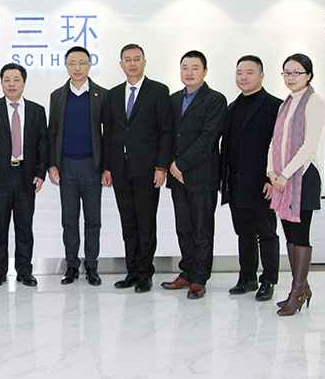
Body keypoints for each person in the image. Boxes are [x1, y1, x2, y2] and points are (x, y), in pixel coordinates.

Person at [102, 43, 172, 292]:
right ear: (121, 64)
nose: (132, 63)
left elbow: (166, 131)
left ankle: (145, 273)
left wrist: (161, 166)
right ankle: (132, 271)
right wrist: (107, 167)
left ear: (144, 62)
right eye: (127, 59)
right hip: (120, 170)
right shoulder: (112, 94)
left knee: (146, 223)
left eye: (136, 59)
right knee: (128, 223)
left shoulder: (159, 91)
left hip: (148, 170)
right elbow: (109, 133)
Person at [162, 50, 227, 299]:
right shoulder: (173, 99)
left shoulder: (215, 100)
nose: (189, 72)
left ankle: (200, 278)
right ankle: (186, 272)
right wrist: (171, 165)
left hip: (202, 176)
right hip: (177, 177)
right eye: (185, 67)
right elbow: (167, 135)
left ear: (205, 71)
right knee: (184, 228)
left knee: (202, 230)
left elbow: (209, 138)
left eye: (195, 68)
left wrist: (180, 165)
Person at [0, 63, 48, 288]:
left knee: (24, 228)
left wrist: (40, 173)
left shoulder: (37, 110)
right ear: (1, 83)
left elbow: (43, 144)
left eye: (16, 79)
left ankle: (25, 271)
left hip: (26, 176)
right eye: (7, 80)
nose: (11, 84)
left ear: (24, 83)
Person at [220, 55, 282, 301]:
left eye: (249, 72)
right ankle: (247, 278)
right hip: (236, 182)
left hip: (261, 182)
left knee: (266, 232)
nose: (243, 77)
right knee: (244, 232)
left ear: (261, 75)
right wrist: (223, 178)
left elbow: (279, 147)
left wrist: (272, 179)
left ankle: (268, 280)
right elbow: (226, 147)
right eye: (240, 72)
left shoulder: (275, 106)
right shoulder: (232, 107)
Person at [268, 53, 324, 316]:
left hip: (302, 178)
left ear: (308, 75)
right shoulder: (286, 103)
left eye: (296, 73)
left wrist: (286, 174)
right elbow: (275, 141)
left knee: (300, 235)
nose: (291, 78)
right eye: (287, 73)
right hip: (283, 179)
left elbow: (309, 146)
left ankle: (297, 292)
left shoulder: (314, 102)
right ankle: (301, 288)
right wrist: (271, 171)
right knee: (289, 235)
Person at [48, 46, 107, 286]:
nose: (77, 68)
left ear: (90, 65)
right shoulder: (57, 96)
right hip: (67, 166)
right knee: (69, 220)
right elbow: (52, 132)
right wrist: (52, 164)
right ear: (66, 66)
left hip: (92, 166)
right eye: (72, 63)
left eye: (82, 63)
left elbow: (108, 135)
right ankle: (71, 265)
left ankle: (91, 266)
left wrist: (107, 167)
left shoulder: (102, 95)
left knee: (93, 220)